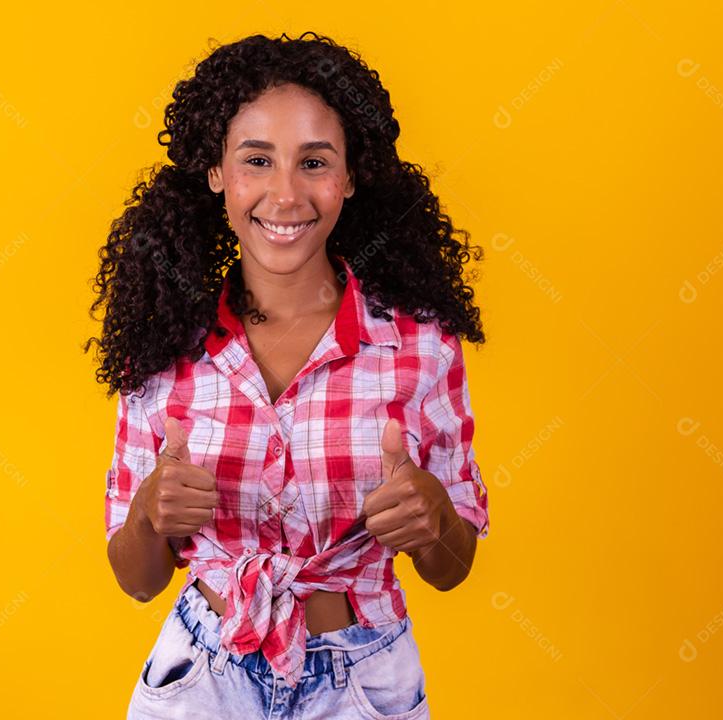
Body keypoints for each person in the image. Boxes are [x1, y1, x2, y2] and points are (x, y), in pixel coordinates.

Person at [85, 30, 490, 719]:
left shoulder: (420, 346)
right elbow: (137, 581)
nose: (285, 193)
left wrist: (434, 515)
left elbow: (450, 570)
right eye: (256, 161)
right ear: (217, 173)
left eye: (313, 162)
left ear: (351, 177)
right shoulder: (161, 346)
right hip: (198, 679)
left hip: (364, 681)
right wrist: (152, 512)